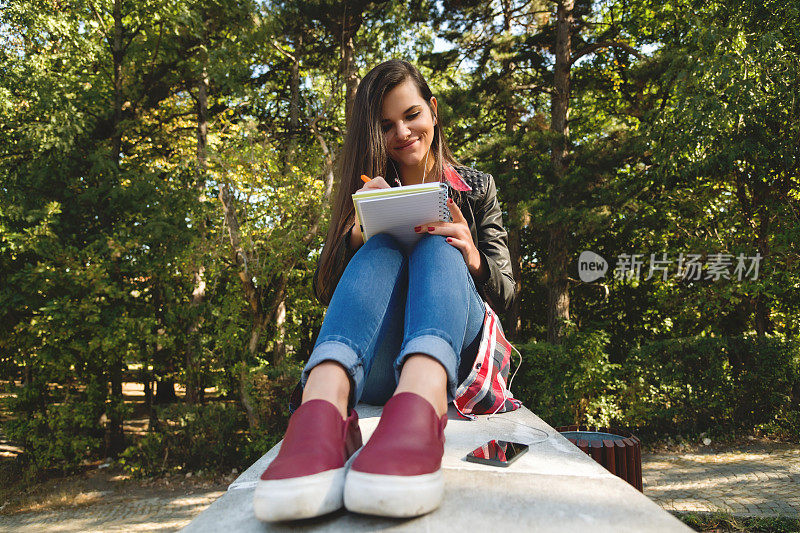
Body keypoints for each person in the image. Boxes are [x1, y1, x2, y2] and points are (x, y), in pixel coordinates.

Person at [253, 59, 515, 522]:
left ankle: (424, 402)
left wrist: (471, 253)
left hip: (458, 351)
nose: (402, 132)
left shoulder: (477, 188)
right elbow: (326, 289)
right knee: (381, 250)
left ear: (433, 111)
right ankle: (322, 410)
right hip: (377, 362)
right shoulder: (369, 189)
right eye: (386, 124)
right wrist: (359, 236)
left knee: (438, 248)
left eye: (412, 115)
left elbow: (508, 293)